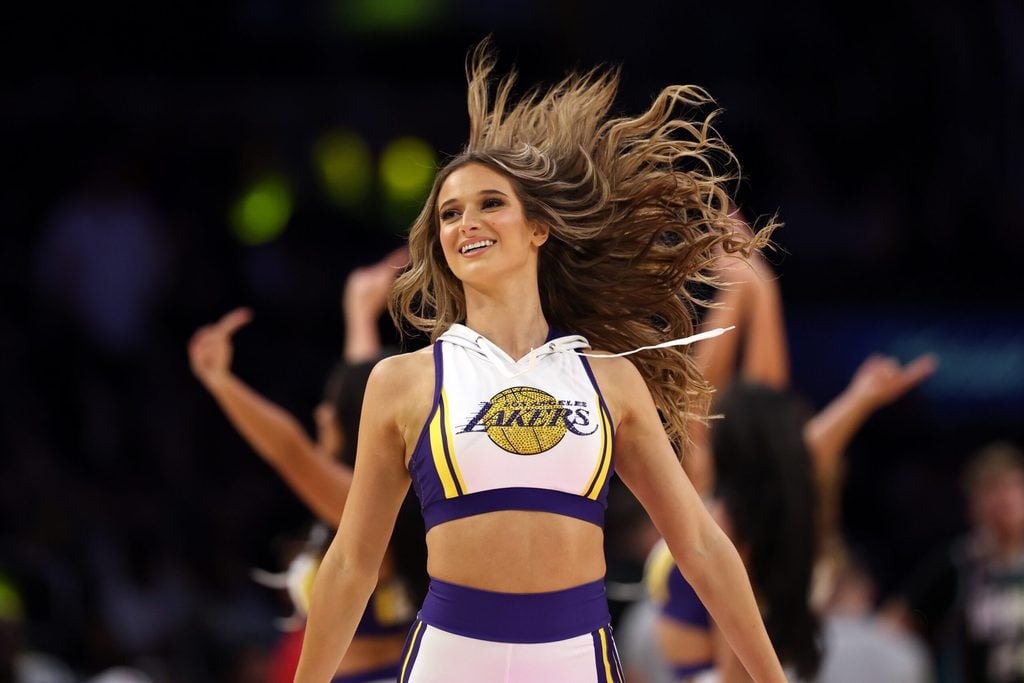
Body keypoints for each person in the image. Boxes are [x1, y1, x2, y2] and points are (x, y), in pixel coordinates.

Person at [295, 42, 788, 683]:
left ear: (539, 228)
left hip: (576, 660)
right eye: (450, 212)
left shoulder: (610, 380)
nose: (466, 221)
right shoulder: (402, 381)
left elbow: (697, 545)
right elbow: (352, 565)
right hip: (450, 659)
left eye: (490, 203)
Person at [188, 248, 425, 683]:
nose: (320, 415)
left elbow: (289, 449)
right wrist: (358, 310)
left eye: (328, 412)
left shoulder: (357, 499)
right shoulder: (382, 490)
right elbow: (364, 395)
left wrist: (221, 382)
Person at [884, 441, 1024, 683]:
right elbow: (892, 625)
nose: (1005, 500)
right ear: (974, 504)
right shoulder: (958, 565)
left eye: (1013, 487)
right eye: (992, 490)